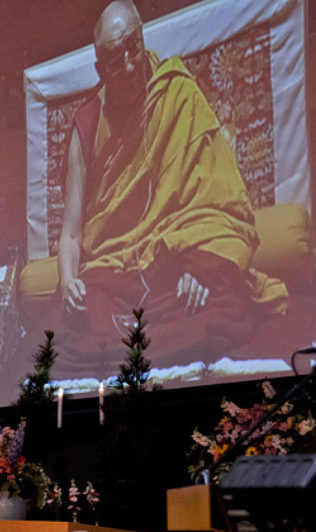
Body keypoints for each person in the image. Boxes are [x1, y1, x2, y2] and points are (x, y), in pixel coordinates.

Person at [55, 0, 286, 370]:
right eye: (116, 60)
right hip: (117, 269)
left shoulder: (176, 93)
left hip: (176, 257)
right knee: (75, 320)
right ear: (100, 68)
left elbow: (217, 200)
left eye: (134, 47)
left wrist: (201, 267)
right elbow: (70, 234)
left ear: (143, 36)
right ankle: (155, 343)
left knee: (219, 299)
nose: (130, 65)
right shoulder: (87, 125)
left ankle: (131, 348)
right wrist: (68, 284)